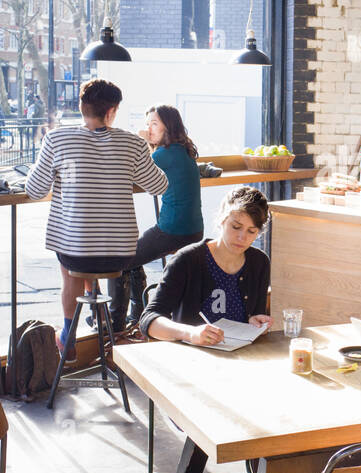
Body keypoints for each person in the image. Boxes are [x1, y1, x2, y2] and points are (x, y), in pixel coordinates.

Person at [25, 78, 168, 360]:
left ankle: (68, 336)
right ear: (112, 111)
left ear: (80, 107)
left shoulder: (57, 139)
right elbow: (159, 186)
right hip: (121, 255)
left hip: (77, 254)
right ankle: (98, 317)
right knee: (88, 247)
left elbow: (34, 190)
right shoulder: (132, 143)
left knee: (71, 265)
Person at [107, 105, 205, 332]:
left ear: (168, 127)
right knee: (133, 255)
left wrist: (138, 142)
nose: (148, 128)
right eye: (147, 123)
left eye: (154, 124)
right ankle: (138, 315)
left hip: (173, 231)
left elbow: (128, 169)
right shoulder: (183, 150)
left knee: (119, 262)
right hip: (193, 229)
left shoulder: (163, 154)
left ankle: (116, 326)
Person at [138, 187, 272, 345]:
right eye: (236, 227)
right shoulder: (187, 260)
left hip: (239, 354)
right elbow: (149, 320)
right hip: (192, 356)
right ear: (222, 220)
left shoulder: (259, 262)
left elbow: (255, 314)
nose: (242, 237)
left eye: (251, 231)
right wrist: (190, 333)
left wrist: (255, 322)